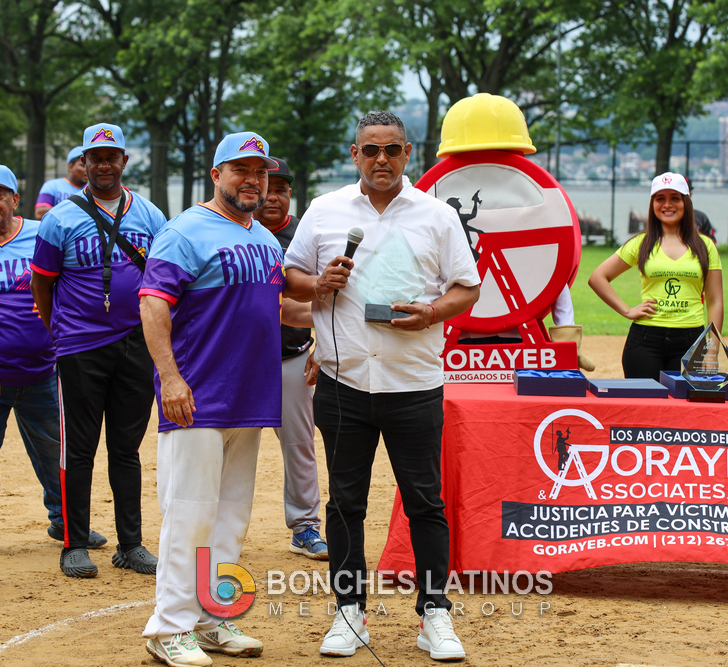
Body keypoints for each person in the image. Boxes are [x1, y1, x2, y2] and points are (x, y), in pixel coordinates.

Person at [284, 110, 480, 661]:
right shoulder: (325, 210)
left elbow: (467, 287)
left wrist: (432, 312)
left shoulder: (438, 215)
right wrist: (318, 283)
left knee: (425, 502)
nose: (381, 160)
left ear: (408, 153)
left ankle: (434, 613)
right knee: (345, 503)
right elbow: (291, 276)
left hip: (413, 381)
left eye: (392, 149)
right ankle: (350, 613)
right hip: (343, 382)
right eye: (370, 150)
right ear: (355, 154)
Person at [139, 132, 281, 666]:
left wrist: (322, 300)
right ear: (216, 174)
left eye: (260, 171)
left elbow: (275, 308)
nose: (253, 180)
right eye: (241, 169)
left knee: (230, 516)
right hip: (197, 395)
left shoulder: (265, 238)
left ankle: (210, 617)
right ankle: (169, 628)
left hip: (249, 396)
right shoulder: (184, 231)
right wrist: (170, 378)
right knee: (190, 515)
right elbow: (153, 303)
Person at [30, 123, 165, 578]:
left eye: (111, 157)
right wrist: (59, 330)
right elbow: (42, 284)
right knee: (79, 449)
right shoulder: (59, 218)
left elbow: (162, 276)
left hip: (135, 343)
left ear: (124, 160)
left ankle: (131, 544)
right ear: (82, 163)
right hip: (79, 346)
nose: (103, 165)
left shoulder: (149, 214)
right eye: (95, 158)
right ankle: (74, 543)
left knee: (126, 449)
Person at [0, 163, 107, 557]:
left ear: (15, 199)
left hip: (43, 369)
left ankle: (66, 521)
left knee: (56, 452)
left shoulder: (42, 234)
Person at [252, 156, 327, 561]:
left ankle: (305, 527)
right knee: (229, 447)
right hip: (241, 360)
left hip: (291, 358)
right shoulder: (236, 230)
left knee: (299, 445)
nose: (274, 196)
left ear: (289, 194)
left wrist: (322, 345)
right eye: (269, 187)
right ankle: (218, 527)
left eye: (282, 189)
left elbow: (331, 300)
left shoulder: (305, 234)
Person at [589, 172, 723, 380]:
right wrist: (627, 311)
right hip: (645, 341)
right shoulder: (641, 243)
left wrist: (712, 350)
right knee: (644, 401)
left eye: (675, 198)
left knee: (687, 402)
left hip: (691, 340)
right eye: (660, 198)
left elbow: (715, 301)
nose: (667, 204)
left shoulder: (705, 246)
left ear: (686, 203)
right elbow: (598, 277)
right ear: (653, 204)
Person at [34, 146, 87, 220]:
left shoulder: (94, 190)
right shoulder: (52, 186)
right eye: (82, 165)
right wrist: (76, 212)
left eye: (88, 165)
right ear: (71, 166)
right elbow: (40, 213)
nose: (87, 169)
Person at [685, 177, 717, 242]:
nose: (683, 196)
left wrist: (696, 234)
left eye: (686, 192)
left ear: (690, 194)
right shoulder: (665, 217)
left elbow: (712, 243)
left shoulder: (701, 217)